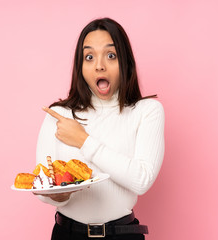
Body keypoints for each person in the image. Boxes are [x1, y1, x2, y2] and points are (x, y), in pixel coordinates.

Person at [35, 18, 165, 240]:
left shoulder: (147, 111)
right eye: (89, 57)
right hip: (67, 234)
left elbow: (142, 180)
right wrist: (57, 196)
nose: (99, 65)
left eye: (111, 55)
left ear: (126, 62)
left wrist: (83, 140)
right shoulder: (60, 115)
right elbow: (43, 181)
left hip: (122, 234)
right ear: (80, 66)